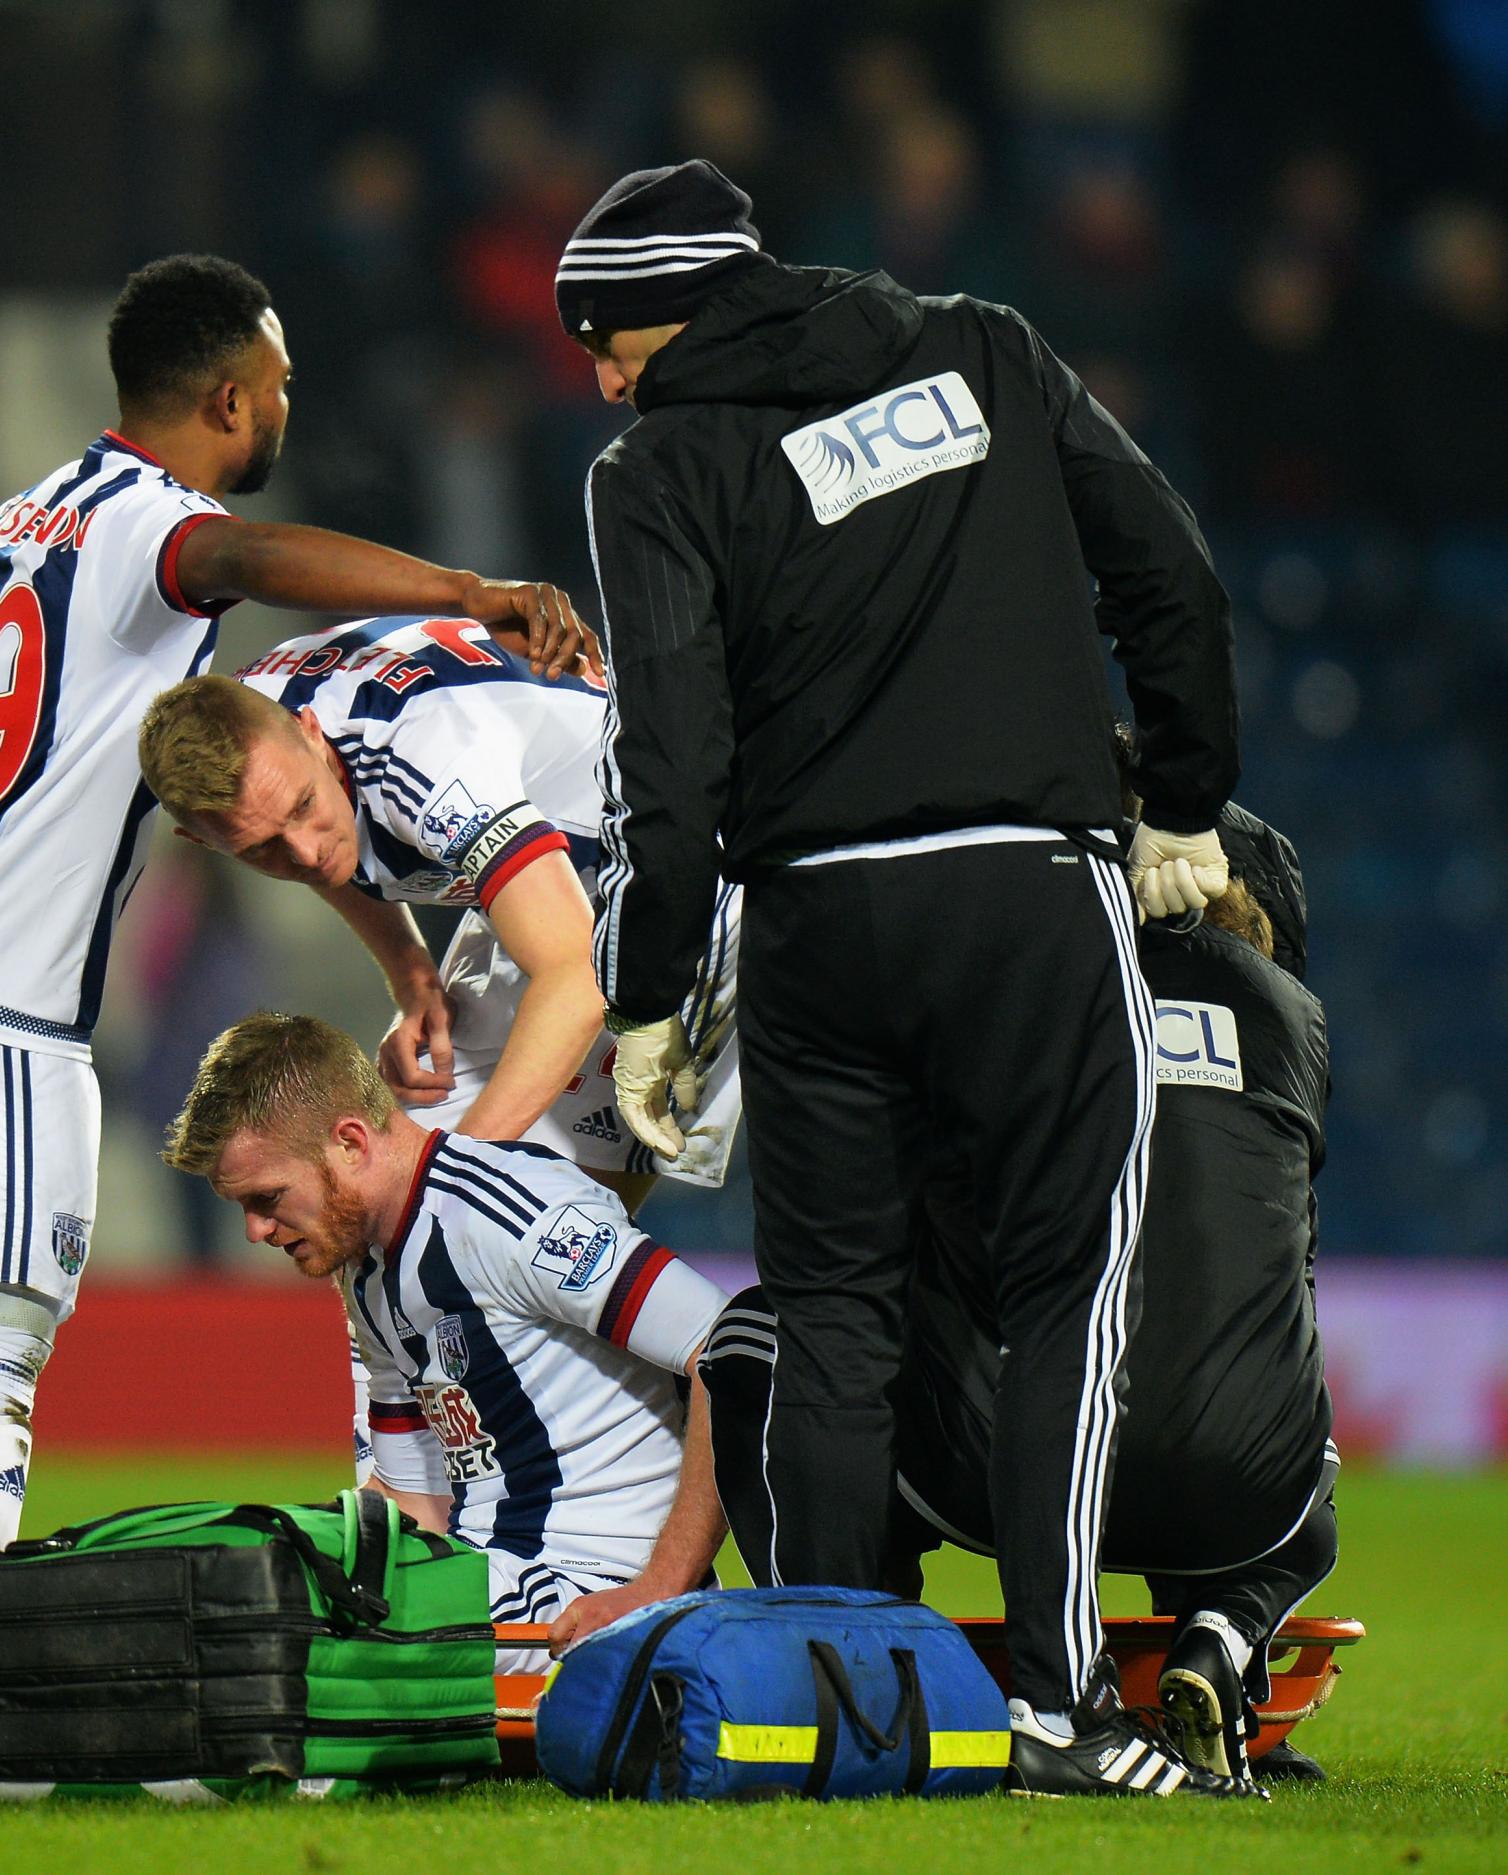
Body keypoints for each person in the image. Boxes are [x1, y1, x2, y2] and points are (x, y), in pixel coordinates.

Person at [559, 160, 1246, 1797]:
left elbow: (670, 761)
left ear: (675, 309)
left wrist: (651, 995)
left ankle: (856, 1702)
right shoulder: (987, 353)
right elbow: (1168, 571)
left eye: (605, 336)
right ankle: (1064, 1711)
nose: (597, 371)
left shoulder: (655, 464)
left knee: (831, 1320)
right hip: (1031, 893)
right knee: (1066, 1293)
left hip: (816, 924)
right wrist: (1188, 801)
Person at [0, 253, 590, 1575]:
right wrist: (466, 591)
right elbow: (236, 551)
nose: (287, 411)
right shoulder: (150, 517)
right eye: (282, 388)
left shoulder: (25, 515)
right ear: (234, 400)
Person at [702, 804, 1337, 1790]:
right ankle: (1225, 1630)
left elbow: (882, 1247)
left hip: (1021, 1462)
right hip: (1237, 1496)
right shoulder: (1297, 1022)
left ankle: (863, 1657)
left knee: (768, 1337)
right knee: (1278, 1397)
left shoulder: (1016, 984)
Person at [160, 1012, 728, 1672]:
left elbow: (728, 1344)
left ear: (349, 1142)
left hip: (584, 1594)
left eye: (267, 1197)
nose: (256, 1230)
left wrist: (660, 1587)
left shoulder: (508, 1215)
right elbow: (413, 1504)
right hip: (486, 1580)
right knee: (247, 1588)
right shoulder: (368, 1274)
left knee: (301, 1650)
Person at [138, 626, 742, 1211]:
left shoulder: (430, 764)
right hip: (542, 874)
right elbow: (327, 853)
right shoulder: (252, 728)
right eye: (259, 849)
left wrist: (456, 1184)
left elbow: (575, 978)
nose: (304, 851)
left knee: (538, 1224)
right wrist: (411, 976)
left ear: (313, 731)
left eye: (303, 808)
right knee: (390, 1193)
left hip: (678, 869)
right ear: (198, 840)